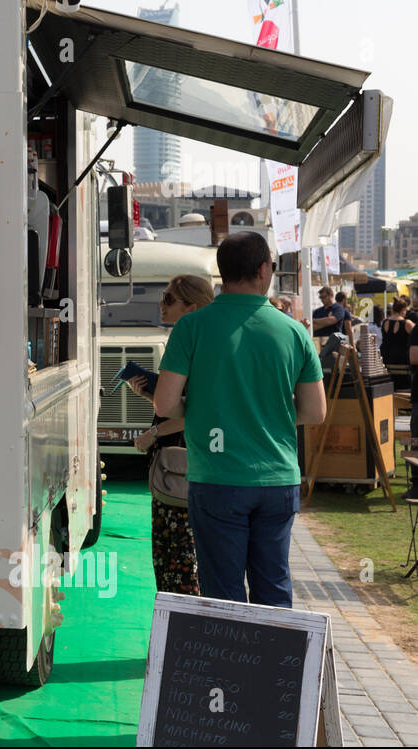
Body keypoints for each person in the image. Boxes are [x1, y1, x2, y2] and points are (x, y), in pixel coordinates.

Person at [153, 232, 327, 608]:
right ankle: (277, 665)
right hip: (277, 478)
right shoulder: (295, 331)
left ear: (223, 272)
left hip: (217, 479)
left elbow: (165, 403)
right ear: (264, 270)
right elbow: (315, 412)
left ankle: (230, 666)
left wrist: (201, 409)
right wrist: (269, 416)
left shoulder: (192, 327)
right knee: (274, 586)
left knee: (223, 592)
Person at [128, 274, 214, 595]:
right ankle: (177, 631)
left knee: (178, 561)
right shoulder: (200, 339)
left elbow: (198, 410)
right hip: (181, 462)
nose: (161, 305)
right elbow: (179, 404)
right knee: (170, 560)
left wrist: (153, 432)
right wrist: (151, 396)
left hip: (182, 462)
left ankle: (182, 633)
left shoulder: (192, 340)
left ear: (191, 307)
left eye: (168, 299)